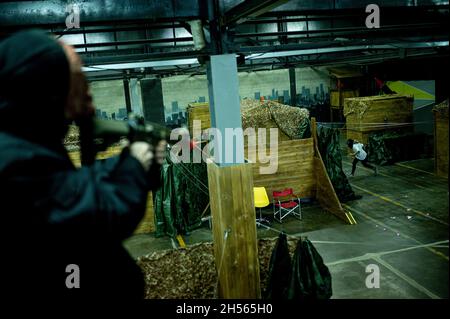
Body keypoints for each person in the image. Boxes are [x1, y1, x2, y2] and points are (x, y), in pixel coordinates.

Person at [0, 30, 165, 298]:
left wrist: (125, 161)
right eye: (76, 81)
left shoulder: (23, 141)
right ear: (43, 88)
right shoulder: (13, 158)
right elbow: (96, 218)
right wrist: (135, 163)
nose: (86, 94)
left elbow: (69, 186)